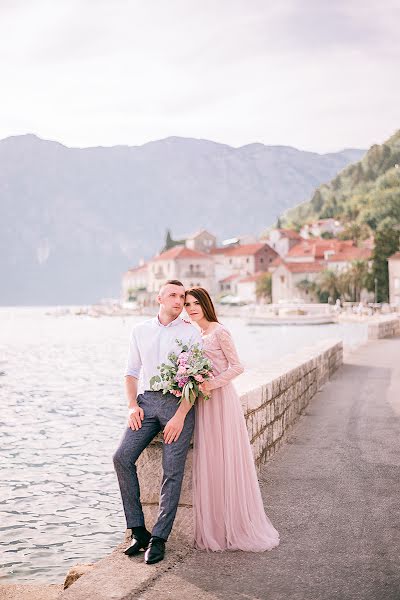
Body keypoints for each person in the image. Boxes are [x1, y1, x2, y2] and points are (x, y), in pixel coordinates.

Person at [113, 280, 202, 564]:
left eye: (182, 296)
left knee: (172, 470)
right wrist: (130, 406)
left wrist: (179, 416)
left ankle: (159, 538)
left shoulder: (191, 332)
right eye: (173, 295)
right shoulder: (140, 330)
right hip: (147, 403)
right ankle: (138, 530)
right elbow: (130, 372)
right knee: (122, 457)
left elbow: (194, 380)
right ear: (159, 298)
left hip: (178, 404)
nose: (179, 300)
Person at [184, 287, 280, 552]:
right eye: (187, 305)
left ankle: (235, 526)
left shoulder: (219, 331)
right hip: (202, 404)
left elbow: (237, 366)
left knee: (226, 458)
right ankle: (216, 525)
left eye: (196, 304)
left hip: (221, 401)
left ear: (205, 304)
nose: (191, 309)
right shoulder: (194, 334)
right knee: (210, 461)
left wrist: (210, 384)